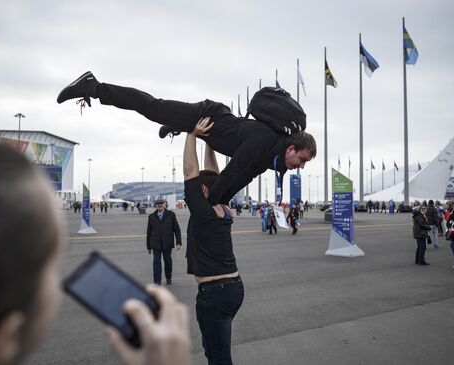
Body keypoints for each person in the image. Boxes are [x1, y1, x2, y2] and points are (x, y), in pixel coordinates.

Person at [0, 137, 191, 365]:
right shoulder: (152, 216)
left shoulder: (169, 216)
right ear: (4, 340)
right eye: (52, 266)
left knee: (166, 262)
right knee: (158, 263)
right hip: (157, 246)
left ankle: (167, 277)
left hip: (167, 245)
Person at [56, 71, 317, 208]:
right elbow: (231, 172)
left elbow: (242, 179)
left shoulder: (268, 158)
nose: (301, 166)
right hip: (207, 115)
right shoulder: (263, 141)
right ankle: (94, 86)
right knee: (151, 106)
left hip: (214, 128)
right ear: (292, 148)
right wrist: (211, 204)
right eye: (302, 160)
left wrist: (223, 204)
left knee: (165, 116)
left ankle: (176, 124)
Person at [183, 118, 244, 365]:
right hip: (231, 289)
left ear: (203, 190)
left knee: (218, 357)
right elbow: (213, 174)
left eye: (199, 187)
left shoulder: (204, 211)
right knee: (214, 352)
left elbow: (190, 172)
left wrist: (191, 134)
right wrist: (208, 141)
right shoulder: (222, 207)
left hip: (215, 293)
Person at [147, 199, 182, 285]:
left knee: (168, 261)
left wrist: (178, 242)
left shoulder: (171, 215)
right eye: (157, 204)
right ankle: (157, 281)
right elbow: (149, 232)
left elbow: (176, 229)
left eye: (161, 203)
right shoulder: (151, 216)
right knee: (156, 262)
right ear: (155, 205)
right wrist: (148, 246)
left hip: (167, 243)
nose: (159, 205)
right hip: (156, 243)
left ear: (165, 204)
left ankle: (168, 277)